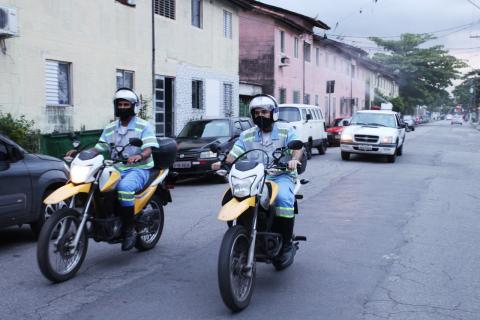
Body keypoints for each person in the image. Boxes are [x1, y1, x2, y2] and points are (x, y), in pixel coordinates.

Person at [212, 94, 303, 270]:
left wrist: (293, 160)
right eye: (256, 112)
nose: (260, 115)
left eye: (264, 112)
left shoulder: (286, 129)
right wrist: (223, 163)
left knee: (283, 199)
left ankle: (285, 247)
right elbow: (235, 153)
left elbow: (297, 148)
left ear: (273, 113)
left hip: (280, 175)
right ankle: (240, 237)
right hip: (253, 176)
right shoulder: (246, 135)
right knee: (232, 197)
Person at [67, 88, 159, 251]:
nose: (123, 107)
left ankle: (129, 229)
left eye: (126, 104)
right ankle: (105, 217)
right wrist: (82, 154)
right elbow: (100, 147)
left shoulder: (144, 126)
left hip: (138, 168)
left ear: (133, 107)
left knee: (124, 188)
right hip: (115, 166)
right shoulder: (110, 127)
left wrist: (139, 156)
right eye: (120, 104)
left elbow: (149, 148)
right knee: (97, 185)